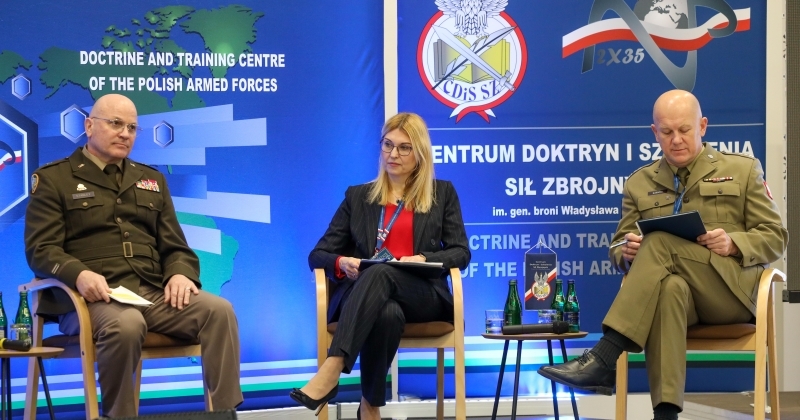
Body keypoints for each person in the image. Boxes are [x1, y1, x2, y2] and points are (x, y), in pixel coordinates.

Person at [538, 90, 787, 420]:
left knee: (657, 243)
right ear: (654, 133)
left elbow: (776, 237)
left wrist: (734, 242)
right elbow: (615, 248)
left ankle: (603, 356)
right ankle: (665, 415)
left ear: (703, 126)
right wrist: (626, 251)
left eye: (684, 130)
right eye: (667, 132)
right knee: (668, 287)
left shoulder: (742, 170)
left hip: (730, 293)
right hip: (682, 299)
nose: (677, 140)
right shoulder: (639, 182)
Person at [24, 93, 243, 417]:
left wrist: (180, 273)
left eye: (132, 127)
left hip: (148, 292)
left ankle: (225, 413)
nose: (125, 133)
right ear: (88, 126)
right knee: (126, 324)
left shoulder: (151, 179)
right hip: (87, 300)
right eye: (115, 124)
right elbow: (40, 249)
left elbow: (176, 247)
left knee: (218, 310)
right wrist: (79, 275)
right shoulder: (55, 178)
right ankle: (120, 415)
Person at [290, 112, 470, 420]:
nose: (393, 154)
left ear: (420, 154)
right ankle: (370, 407)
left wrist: (424, 259)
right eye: (387, 145)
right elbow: (317, 254)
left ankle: (332, 368)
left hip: (422, 294)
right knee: (386, 311)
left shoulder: (442, 194)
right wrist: (341, 261)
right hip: (367, 296)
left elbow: (461, 252)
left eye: (404, 148)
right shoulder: (358, 197)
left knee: (383, 271)